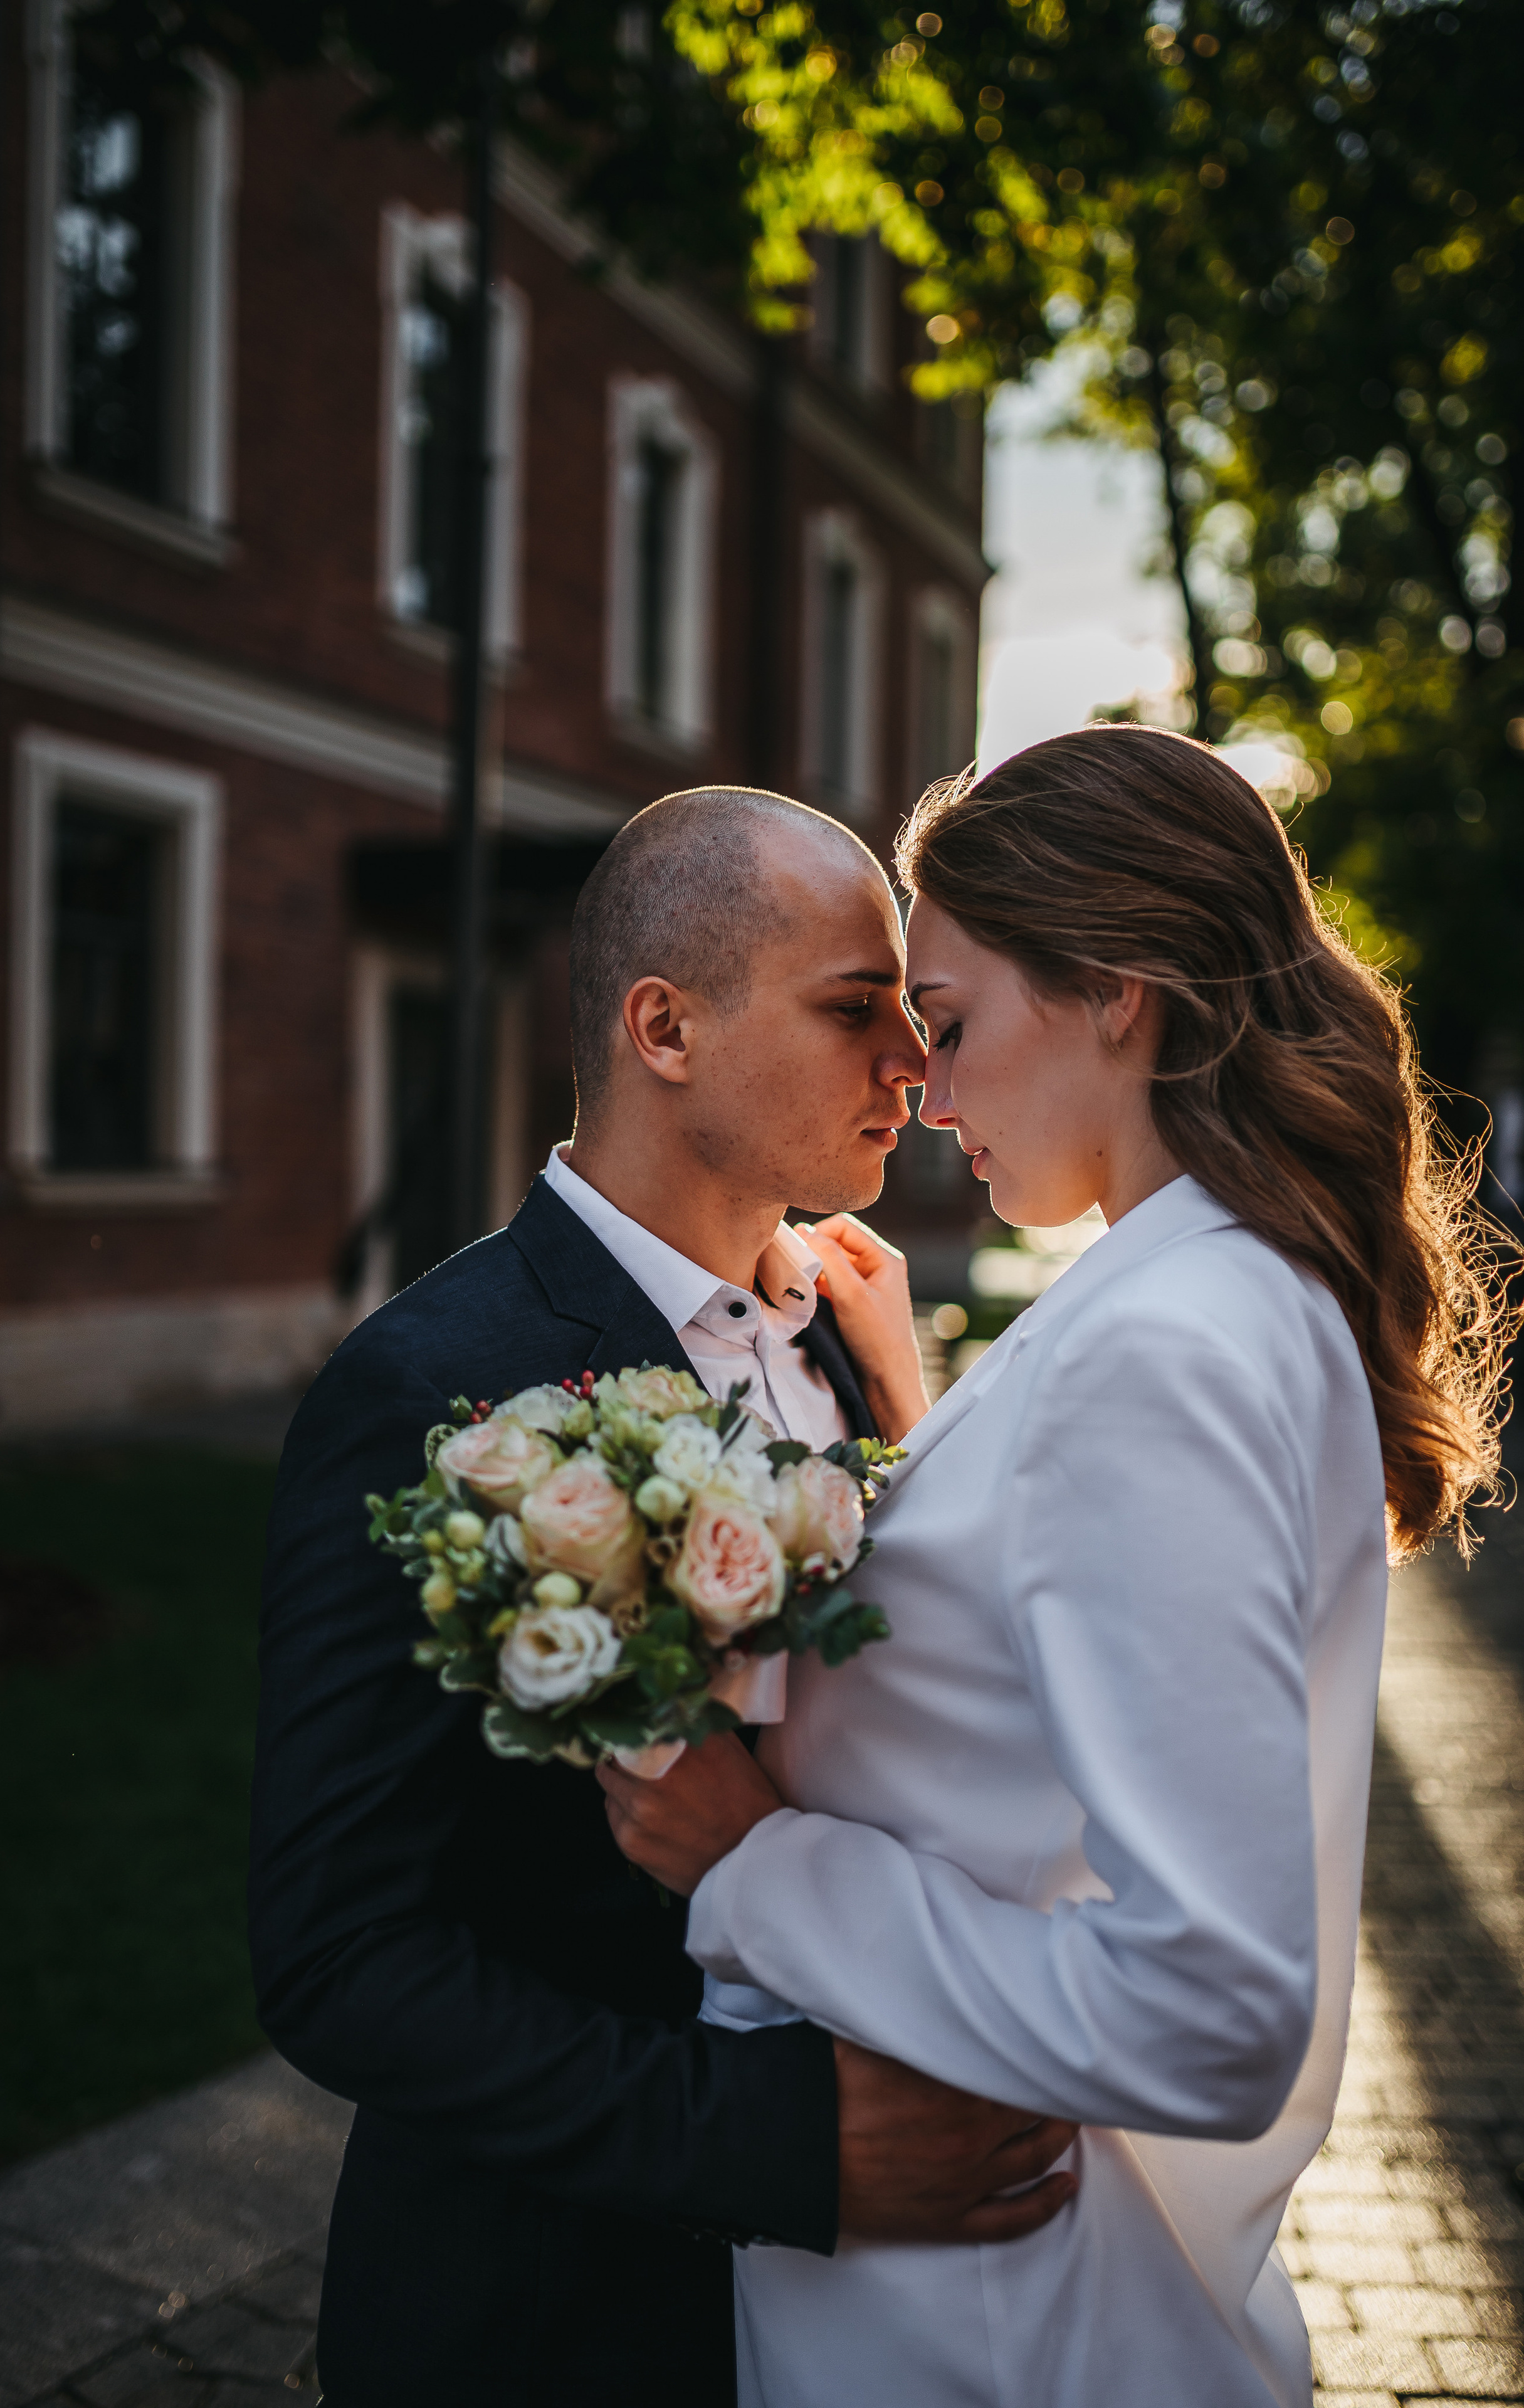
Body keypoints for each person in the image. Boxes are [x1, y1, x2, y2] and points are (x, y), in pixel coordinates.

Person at [599, 727, 1512, 2407]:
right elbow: (1046, 1662)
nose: (925, 1094)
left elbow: (1209, 2013)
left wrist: (754, 1864)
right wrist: (924, 1419)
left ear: (1119, 993)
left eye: (947, 1024)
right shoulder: (1201, 1299)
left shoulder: (1161, 1348)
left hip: (995, 2318)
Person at [250, 786, 1078, 2408]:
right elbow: (338, 1954)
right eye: (857, 1014)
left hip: (861, 2325)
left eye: (911, 1019)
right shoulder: (431, 1388)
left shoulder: (851, 1335)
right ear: (665, 1029)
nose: (912, 1069)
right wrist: (780, 2144)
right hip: (557, 2313)